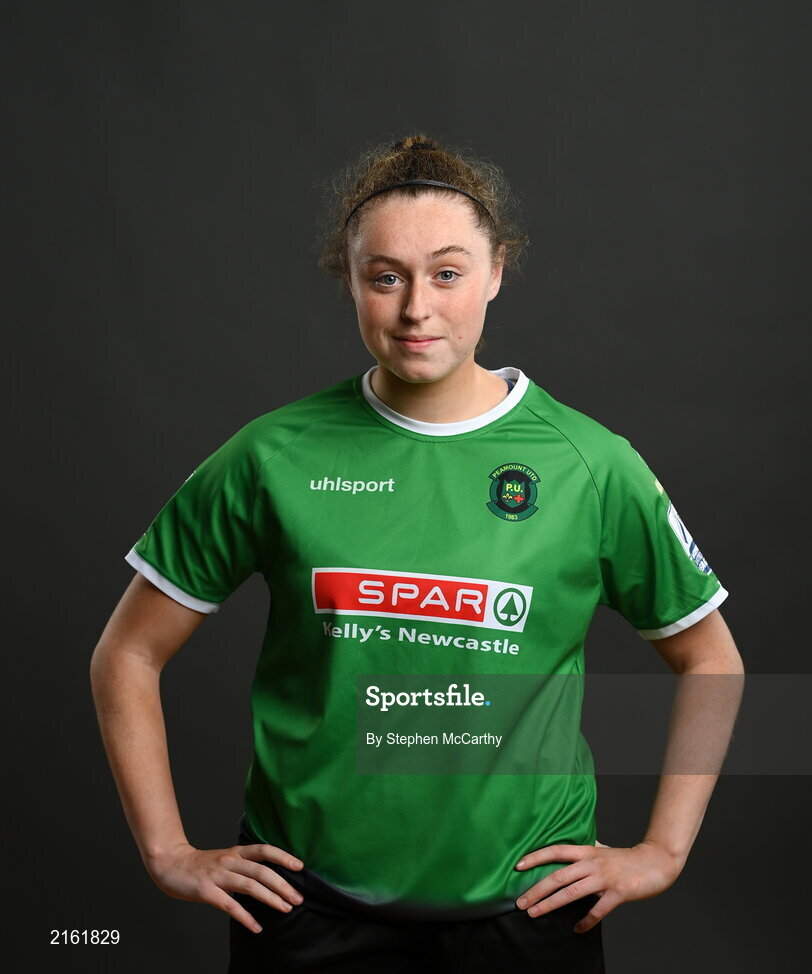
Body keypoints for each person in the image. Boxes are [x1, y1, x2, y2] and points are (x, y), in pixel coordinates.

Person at [90, 133, 744, 973]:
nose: (415, 310)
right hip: (306, 913)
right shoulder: (273, 455)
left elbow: (712, 663)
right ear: (351, 281)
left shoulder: (591, 464)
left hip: (526, 917)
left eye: (447, 272)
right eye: (385, 276)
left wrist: (664, 850)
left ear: (497, 271)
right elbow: (127, 655)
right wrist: (167, 851)